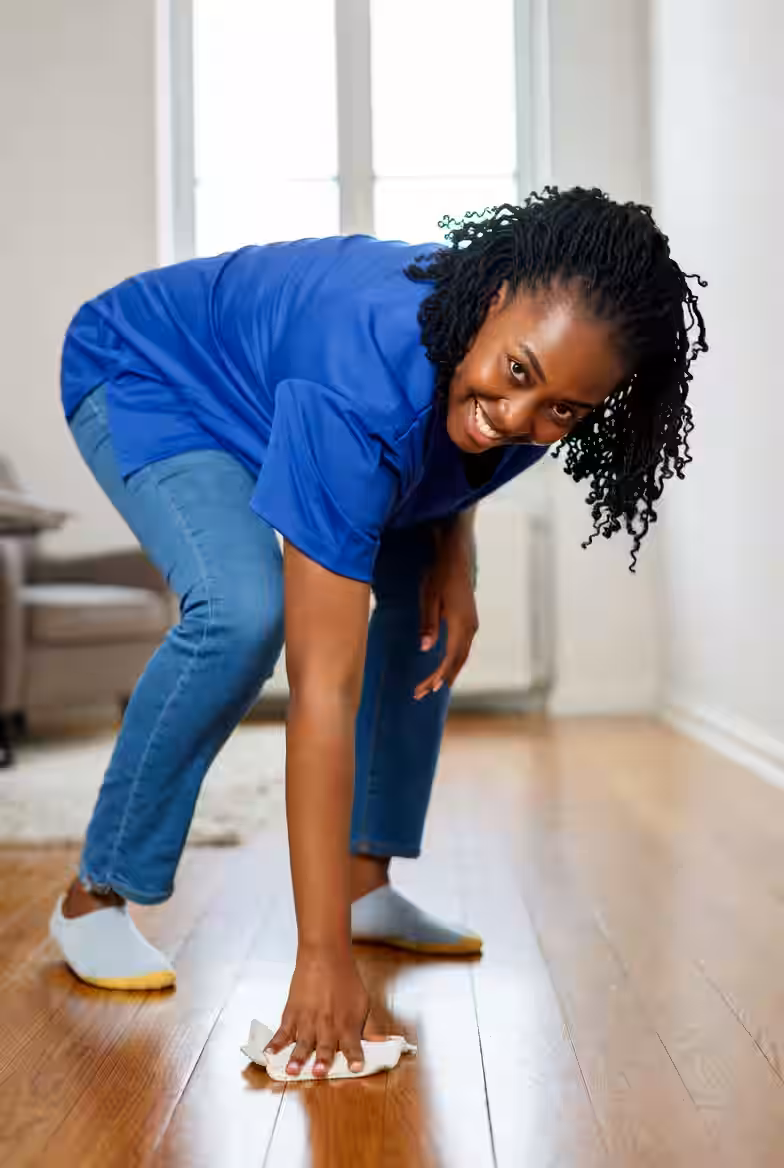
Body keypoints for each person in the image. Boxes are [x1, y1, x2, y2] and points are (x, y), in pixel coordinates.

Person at [49, 187, 706, 1078]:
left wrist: (450, 536)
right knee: (243, 610)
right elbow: (323, 689)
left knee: (438, 598)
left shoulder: (533, 369)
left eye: (565, 412)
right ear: (493, 296)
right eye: (519, 375)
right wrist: (321, 964)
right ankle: (96, 896)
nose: (522, 421)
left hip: (301, 397)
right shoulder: (357, 379)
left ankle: (365, 882)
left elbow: (470, 433)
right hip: (153, 375)